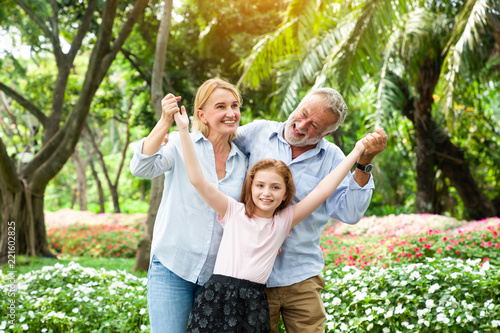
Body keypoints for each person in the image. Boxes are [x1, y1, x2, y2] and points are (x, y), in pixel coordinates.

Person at [171, 99, 368, 332]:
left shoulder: (283, 221)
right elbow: (198, 179)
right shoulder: (233, 211)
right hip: (216, 298)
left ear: (286, 195)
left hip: (255, 301)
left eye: (275, 188)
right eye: (260, 185)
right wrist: (183, 130)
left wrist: (359, 152)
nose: (266, 193)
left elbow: (323, 190)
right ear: (249, 186)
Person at [233, 87, 388, 332]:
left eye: (314, 126)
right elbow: (215, 146)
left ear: (330, 132)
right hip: (252, 273)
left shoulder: (333, 158)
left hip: (301, 275)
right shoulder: (257, 132)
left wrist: (364, 162)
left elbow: (350, 213)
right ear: (298, 103)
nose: (301, 125)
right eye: (302, 113)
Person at [130, 79, 248, 333]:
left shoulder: (244, 161)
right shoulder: (180, 143)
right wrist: (165, 121)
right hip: (173, 266)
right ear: (201, 115)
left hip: (217, 276)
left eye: (235, 105)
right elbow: (141, 167)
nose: (231, 113)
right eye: (221, 106)